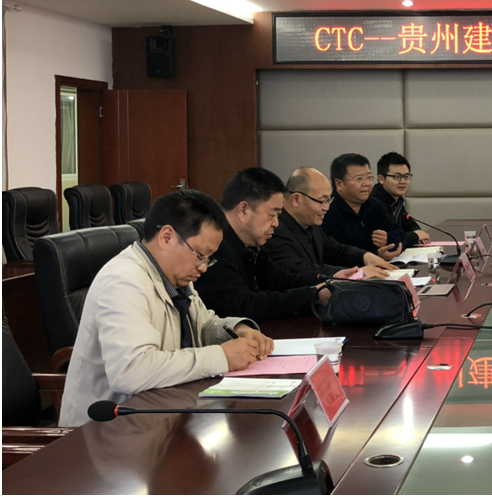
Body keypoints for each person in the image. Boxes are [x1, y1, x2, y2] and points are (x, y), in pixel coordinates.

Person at [60, 190, 273, 427]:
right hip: (105, 429)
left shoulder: (175, 275)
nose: (203, 267)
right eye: (200, 255)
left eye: (208, 258)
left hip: (160, 414)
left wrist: (236, 331)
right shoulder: (124, 281)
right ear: (167, 237)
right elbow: (130, 372)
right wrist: (220, 357)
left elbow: (202, 325)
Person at [193, 168, 341, 324]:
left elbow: (281, 280)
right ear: (243, 210)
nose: (276, 223)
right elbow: (244, 305)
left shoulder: (251, 245)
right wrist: (314, 295)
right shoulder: (214, 248)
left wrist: (330, 281)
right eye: (272, 215)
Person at [267, 166, 396, 278]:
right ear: (296, 199)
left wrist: (366, 257)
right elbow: (298, 269)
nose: (326, 208)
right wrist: (355, 273)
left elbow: (336, 250)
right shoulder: (275, 229)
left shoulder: (311, 223)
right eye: (322, 201)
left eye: (328, 201)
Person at [322, 153, 406, 257]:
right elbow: (334, 255)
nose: (367, 184)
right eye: (359, 179)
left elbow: (400, 233)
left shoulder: (373, 205)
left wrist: (388, 239)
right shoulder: (327, 211)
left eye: (369, 177)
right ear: (339, 184)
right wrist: (375, 255)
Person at [373, 152, 430, 249]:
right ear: (381, 179)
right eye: (397, 177)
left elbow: (410, 225)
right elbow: (388, 239)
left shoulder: (397, 201)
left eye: (406, 176)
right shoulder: (373, 203)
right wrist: (415, 236)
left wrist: (416, 233)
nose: (403, 181)